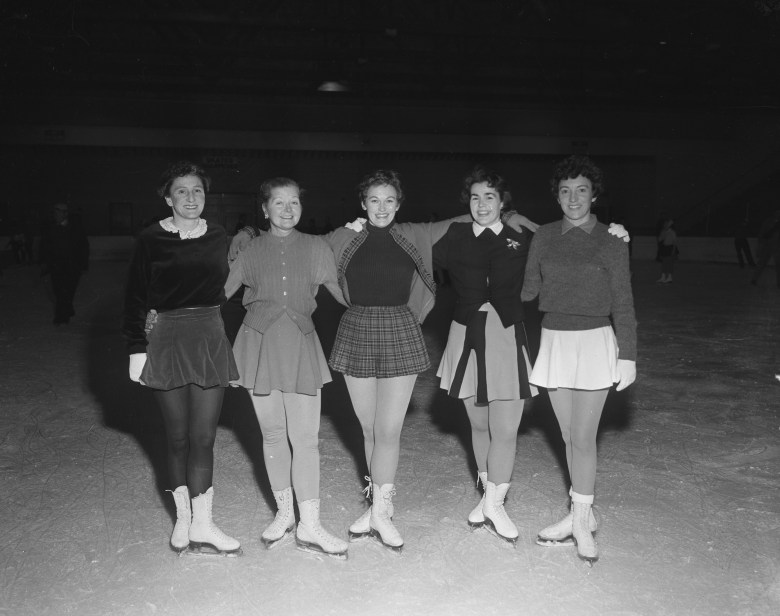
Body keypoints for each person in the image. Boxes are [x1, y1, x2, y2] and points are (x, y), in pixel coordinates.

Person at [225, 178, 349, 559]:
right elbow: (215, 294)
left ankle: (310, 524)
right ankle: (284, 514)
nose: (288, 209)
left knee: (306, 438)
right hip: (258, 347)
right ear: (264, 209)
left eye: (294, 202)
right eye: (279, 203)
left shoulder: (316, 247)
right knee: (274, 435)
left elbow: (346, 295)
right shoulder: (248, 250)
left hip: (300, 347)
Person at [522, 154, 637, 566]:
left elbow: (623, 299)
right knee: (569, 436)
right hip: (554, 340)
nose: (574, 199)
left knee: (584, 438)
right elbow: (528, 291)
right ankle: (578, 513)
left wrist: (629, 354)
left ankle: (582, 521)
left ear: (594, 195)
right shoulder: (544, 235)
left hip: (594, 343)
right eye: (565, 191)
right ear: (556, 196)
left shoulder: (611, 239)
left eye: (582, 190)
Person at [122, 161, 241, 556]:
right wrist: (136, 347)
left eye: (198, 191)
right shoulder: (150, 239)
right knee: (176, 437)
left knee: (203, 436)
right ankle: (183, 520)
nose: (191, 198)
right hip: (167, 339)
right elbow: (135, 297)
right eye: (182, 191)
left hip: (208, 335)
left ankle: (204, 523)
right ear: (168, 197)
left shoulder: (219, 235)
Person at [433, 166, 537, 544]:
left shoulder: (521, 237)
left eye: (489, 197)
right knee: (478, 426)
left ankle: (494, 503)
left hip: (507, 336)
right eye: (475, 197)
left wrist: (613, 231)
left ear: (503, 202)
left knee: (505, 429)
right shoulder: (454, 235)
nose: (481, 204)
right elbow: (408, 244)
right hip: (465, 335)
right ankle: (490, 500)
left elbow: (561, 241)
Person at [39, 203, 90, 324]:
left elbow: (84, 246)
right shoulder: (50, 228)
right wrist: (43, 262)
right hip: (56, 265)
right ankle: (67, 308)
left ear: (65, 214)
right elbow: (44, 246)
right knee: (58, 290)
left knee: (68, 290)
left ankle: (61, 316)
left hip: (72, 265)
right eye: (55, 212)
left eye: (59, 212)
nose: (56, 215)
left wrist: (84, 264)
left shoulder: (76, 228)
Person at [750, 209, 780, 288]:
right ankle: (754, 279)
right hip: (768, 246)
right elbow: (762, 233)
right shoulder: (768, 222)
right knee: (761, 263)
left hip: (776, 246)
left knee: (778, 265)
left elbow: (762, 234)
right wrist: (760, 245)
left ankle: (779, 283)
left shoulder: (769, 222)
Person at [656, 217, 678, 283]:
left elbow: (675, 242)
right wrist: (663, 233)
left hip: (670, 248)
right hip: (665, 248)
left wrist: (673, 250)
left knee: (669, 263)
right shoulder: (664, 231)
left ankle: (669, 277)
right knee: (664, 263)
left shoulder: (672, 232)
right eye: (664, 224)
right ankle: (663, 277)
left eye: (666, 224)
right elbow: (660, 239)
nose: (665, 225)